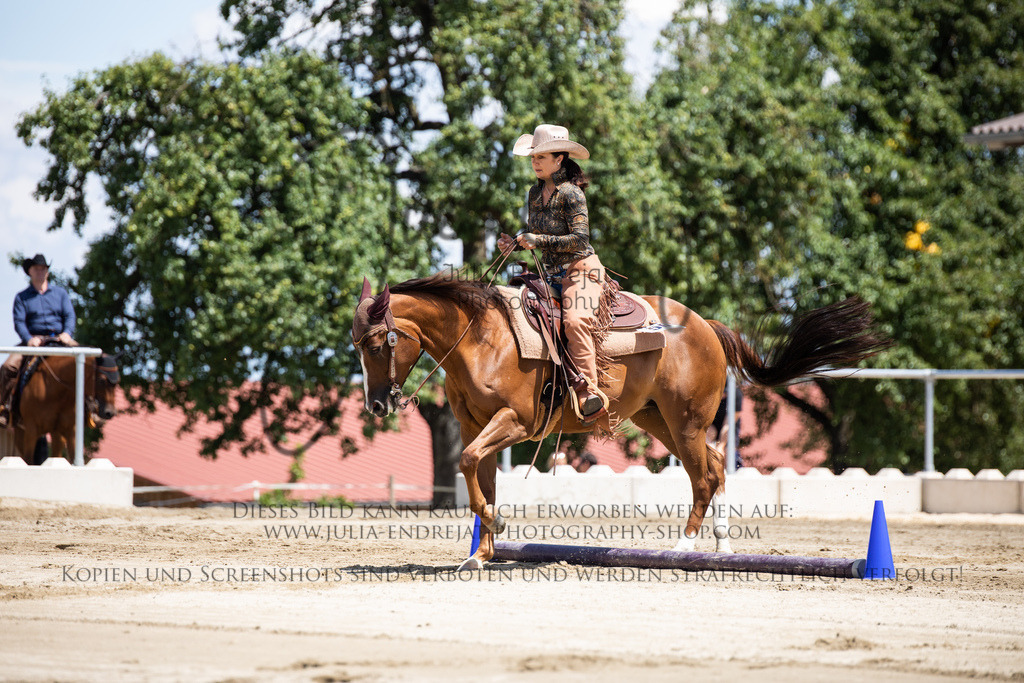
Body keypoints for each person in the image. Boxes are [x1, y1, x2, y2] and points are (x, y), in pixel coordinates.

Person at [498, 124, 607, 423]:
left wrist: (538, 240)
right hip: (550, 276)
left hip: (580, 271)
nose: (535, 162)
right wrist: (516, 245)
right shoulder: (534, 192)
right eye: (533, 157)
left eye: (541, 156)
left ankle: (589, 393)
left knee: (575, 320)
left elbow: (580, 239)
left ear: (559, 159)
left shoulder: (572, 194)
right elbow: (538, 235)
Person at [0, 254, 77, 428]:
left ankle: (90, 407)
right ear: (30, 272)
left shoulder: (60, 294)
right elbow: (19, 322)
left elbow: (69, 315)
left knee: (88, 360)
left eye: (43, 269)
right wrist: (29, 339)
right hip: (34, 341)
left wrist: (67, 332)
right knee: (8, 367)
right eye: (36, 269)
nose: (40, 272)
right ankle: (4, 407)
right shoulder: (22, 297)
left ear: (47, 272)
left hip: (59, 339)